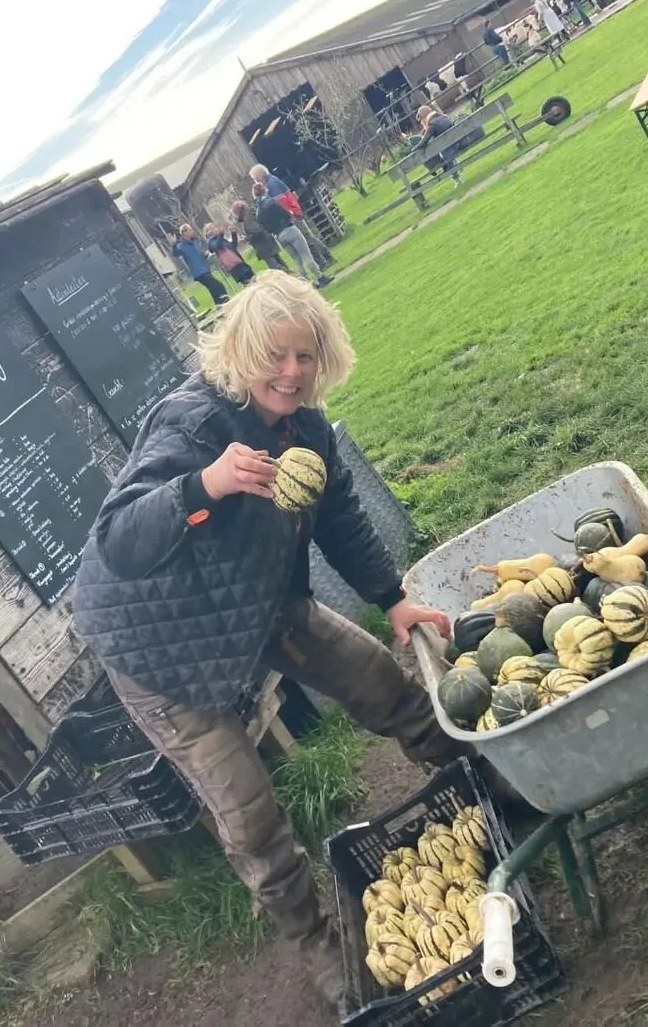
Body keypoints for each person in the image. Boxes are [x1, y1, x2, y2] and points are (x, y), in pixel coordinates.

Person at [72, 269, 469, 1010]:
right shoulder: (192, 425)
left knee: (383, 683)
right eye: (276, 355)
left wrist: (394, 600)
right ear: (243, 352)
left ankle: (485, 789)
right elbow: (119, 542)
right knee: (248, 811)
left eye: (306, 356)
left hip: (261, 607)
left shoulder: (307, 428)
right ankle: (317, 942)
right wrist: (204, 487)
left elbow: (342, 515)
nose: (291, 372)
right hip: (164, 652)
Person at [249, 163, 334, 269]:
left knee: (306, 238)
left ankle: (326, 256)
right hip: (292, 213)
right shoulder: (272, 181)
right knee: (305, 239)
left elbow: (282, 203)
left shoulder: (272, 185)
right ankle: (321, 261)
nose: (255, 181)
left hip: (292, 215)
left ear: (259, 176)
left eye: (255, 179)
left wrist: (287, 217)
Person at [253, 182, 331, 288]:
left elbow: (265, 227)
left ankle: (306, 283)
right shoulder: (272, 201)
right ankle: (320, 277)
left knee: (297, 260)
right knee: (306, 255)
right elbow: (284, 213)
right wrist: (289, 216)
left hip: (279, 236)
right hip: (289, 229)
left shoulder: (258, 212)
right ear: (264, 190)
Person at [170, 224, 228, 305]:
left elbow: (198, 254)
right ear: (185, 233)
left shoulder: (195, 241)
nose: (192, 231)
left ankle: (220, 304)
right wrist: (173, 245)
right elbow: (175, 254)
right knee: (218, 285)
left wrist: (204, 254)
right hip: (199, 273)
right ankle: (225, 300)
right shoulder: (181, 246)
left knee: (212, 288)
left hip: (205, 268)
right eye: (190, 230)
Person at [230, 198, 288, 272]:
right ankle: (294, 277)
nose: (235, 215)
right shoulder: (252, 211)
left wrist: (246, 239)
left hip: (263, 245)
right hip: (268, 240)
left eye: (235, 212)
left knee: (276, 267)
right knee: (280, 262)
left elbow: (257, 231)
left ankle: (290, 276)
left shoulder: (247, 218)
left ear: (239, 210)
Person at [416, 106, 461, 184]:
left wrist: (414, 148)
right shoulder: (443, 117)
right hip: (458, 144)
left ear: (423, 117)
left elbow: (424, 142)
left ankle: (456, 179)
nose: (421, 123)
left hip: (449, 151)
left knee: (435, 154)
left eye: (421, 121)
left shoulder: (432, 125)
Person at [204, 221, 255, 286]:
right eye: (214, 228)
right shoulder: (211, 243)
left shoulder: (221, 239)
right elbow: (218, 246)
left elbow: (233, 246)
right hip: (235, 267)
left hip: (240, 263)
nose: (217, 228)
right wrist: (221, 234)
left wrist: (233, 233)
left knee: (253, 280)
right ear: (209, 232)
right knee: (249, 284)